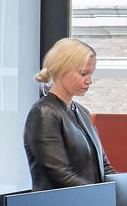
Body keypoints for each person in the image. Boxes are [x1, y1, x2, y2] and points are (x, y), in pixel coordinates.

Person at [23, 37, 116, 189]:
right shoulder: (44, 113)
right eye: (83, 73)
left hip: (86, 201)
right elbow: (60, 174)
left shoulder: (82, 112)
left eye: (91, 73)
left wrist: (124, 188)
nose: (89, 81)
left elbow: (103, 165)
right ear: (61, 70)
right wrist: (100, 194)